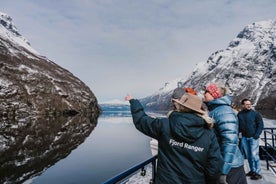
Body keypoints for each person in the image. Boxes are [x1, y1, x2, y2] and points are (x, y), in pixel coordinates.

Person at [125, 92, 223, 184]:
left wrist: (133, 101)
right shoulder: (209, 134)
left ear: (180, 106)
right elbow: (214, 167)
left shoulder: (165, 125)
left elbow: (141, 121)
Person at [204, 83, 247, 184]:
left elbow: (230, 142)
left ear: (214, 94)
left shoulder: (224, 112)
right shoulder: (217, 110)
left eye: (207, 91)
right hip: (224, 163)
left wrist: (223, 172)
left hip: (230, 167)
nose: (204, 93)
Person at [238, 98, 264, 180]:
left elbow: (260, 125)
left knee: (254, 155)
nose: (249, 105)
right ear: (243, 105)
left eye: (250, 104)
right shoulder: (239, 114)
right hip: (244, 138)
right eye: (247, 104)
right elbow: (238, 126)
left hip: (253, 138)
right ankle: (252, 171)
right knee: (249, 156)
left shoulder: (255, 114)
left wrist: (256, 135)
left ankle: (258, 172)